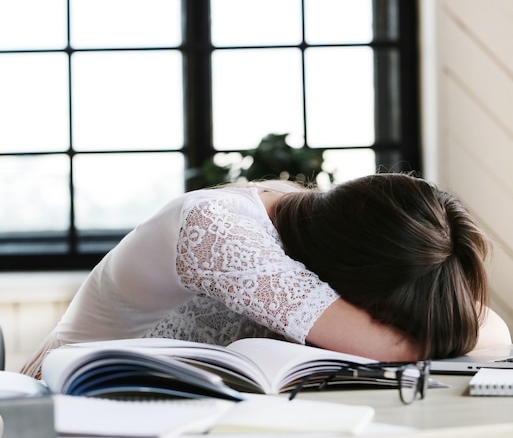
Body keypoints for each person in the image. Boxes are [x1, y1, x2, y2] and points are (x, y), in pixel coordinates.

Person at [21, 173, 510, 379]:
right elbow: (391, 347)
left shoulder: (308, 220)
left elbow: (492, 328)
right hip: (77, 405)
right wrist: (440, 329)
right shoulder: (218, 226)